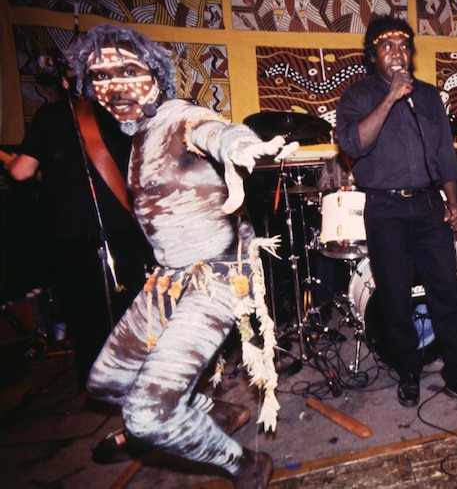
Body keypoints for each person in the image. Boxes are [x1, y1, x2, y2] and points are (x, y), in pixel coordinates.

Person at [78, 24, 300, 489]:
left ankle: (246, 465)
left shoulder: (179, 115)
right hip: (171, 278)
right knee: (105, 381)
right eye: (100, 76)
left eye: (127, 70)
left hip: (218, 277)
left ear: (155, 76)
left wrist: (240, 145)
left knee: (145, 416)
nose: (114, 85)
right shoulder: (138, 133)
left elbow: (214, 130)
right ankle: (218, 411)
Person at [336, 15, 457, 413]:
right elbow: (354, 144)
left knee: (448, 292)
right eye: (388, 47)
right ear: (373, 56)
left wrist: (454, 205)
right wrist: (389, 97)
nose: (398, 53)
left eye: (403, 46)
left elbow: (444, 157)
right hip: (384, 208)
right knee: (395, 297)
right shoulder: (356, 97)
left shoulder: (428, 96)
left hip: (427, 204)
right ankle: (408, 372)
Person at [3, 64, 152, 390]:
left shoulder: (50, 116)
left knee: (89, 321)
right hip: (123, 229)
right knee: (132, 312)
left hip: (72, 237)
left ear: (63, 82)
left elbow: (22, 173)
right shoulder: (120, 117)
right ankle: (147, 385)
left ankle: (107, 387)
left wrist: (7, 160)